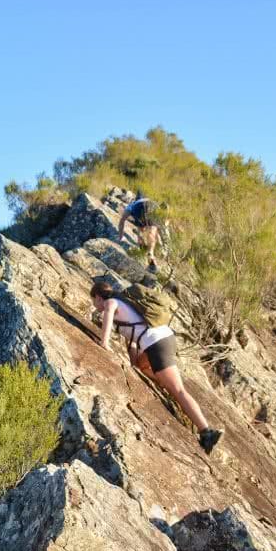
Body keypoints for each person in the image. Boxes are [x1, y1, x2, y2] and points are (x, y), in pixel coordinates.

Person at [90, 282, 223, 454]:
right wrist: (132, 363)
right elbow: (133, 341)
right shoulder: (125, 305)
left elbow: (108, 314)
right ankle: (165, 383)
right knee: (143, 367)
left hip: (156, 343)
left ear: (98, 297)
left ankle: (207, 433)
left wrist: (104, 342)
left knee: (178, 390)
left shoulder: (111, 303)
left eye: (94, 302)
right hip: (160, 338)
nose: (96, 307)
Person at [118, 192, 161, 272]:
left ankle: (141, 244)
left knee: (140, 228)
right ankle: (151, 252)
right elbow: (158, 228)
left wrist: (121, 236)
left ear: (136, 198)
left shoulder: (133, 203)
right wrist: (158, 240)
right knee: (152, 230)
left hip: (138, 209)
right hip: (153, 207)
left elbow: (122, 220)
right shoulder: (151, 201)